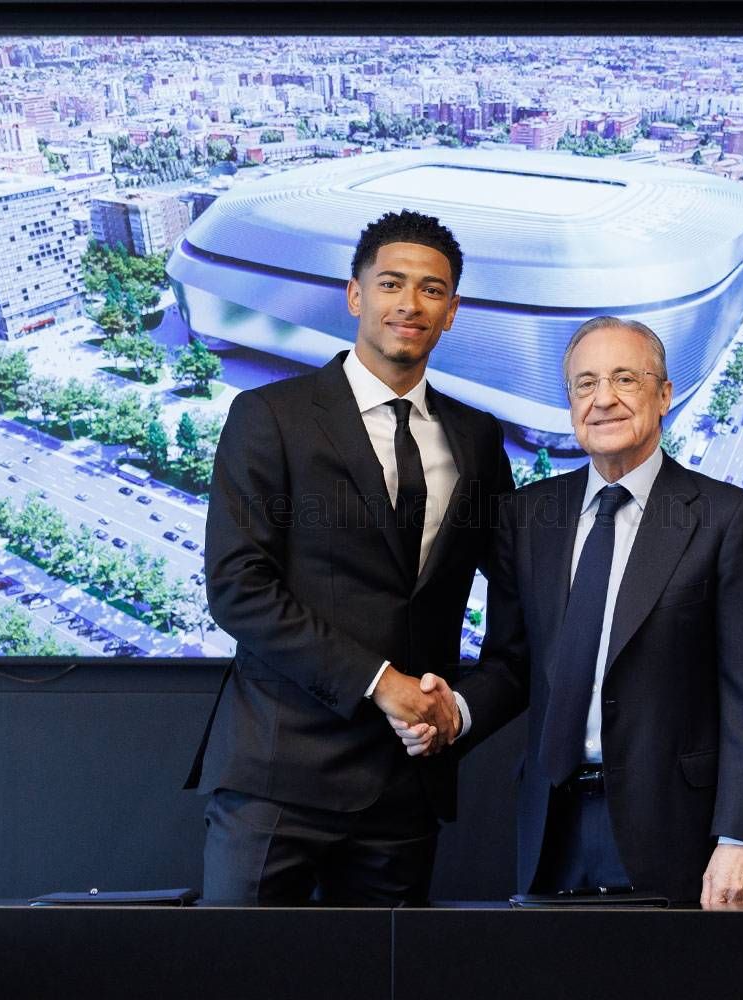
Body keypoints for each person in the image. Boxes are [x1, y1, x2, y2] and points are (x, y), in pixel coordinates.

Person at [392, 317, 743, 908]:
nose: (603, 399)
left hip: (677, 830)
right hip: (550, 823)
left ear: (664, 395)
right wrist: (456, 712)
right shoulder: (528, 516)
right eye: (584, 384)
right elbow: (513, 662)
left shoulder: (728, 520)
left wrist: (740, 838)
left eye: (624, 378)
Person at [185, 210, 512, 905]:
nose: (410, 303)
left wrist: (460, 707)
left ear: (453, 312)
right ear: (356, 294)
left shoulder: (479, 438)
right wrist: (380, 682)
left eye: (431, 290)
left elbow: (519, 607)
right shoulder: (269, 416)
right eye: (392, 283)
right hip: (278, 773)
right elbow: (239, 587)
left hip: (406, 787)